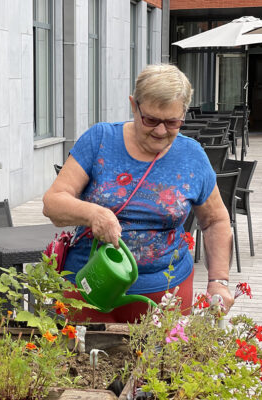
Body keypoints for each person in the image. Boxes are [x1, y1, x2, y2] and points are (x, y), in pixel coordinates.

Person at [42, 64, 234, 323]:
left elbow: (216, 221)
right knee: (83, 361)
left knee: (160, 363)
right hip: (90, 286)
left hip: (164, 293)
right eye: (151, 120)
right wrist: (94, 213)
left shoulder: (192, 156)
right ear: (134, 105)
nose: (160, 131)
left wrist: (218, 280)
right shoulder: (100, 140)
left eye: (172, 122)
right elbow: (53, 203)